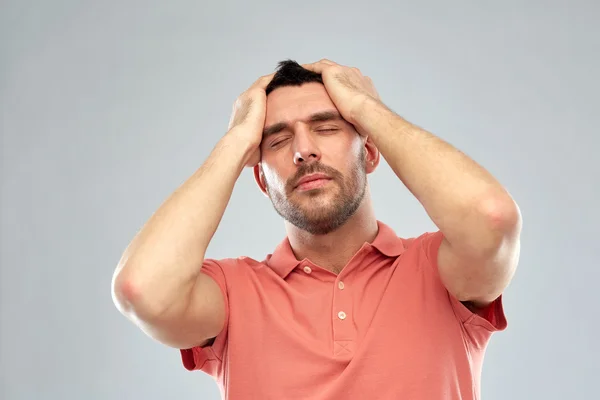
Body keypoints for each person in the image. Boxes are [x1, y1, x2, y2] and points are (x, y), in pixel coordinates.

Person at [111, 59, 522, 399]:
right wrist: (236, 140)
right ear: (260, 180)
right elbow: (141, 290)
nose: (303, 150)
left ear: (372, 152)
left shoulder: (439, 271)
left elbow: (492, 218)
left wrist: (366, 109)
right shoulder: (232, 295)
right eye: (276, 141)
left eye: (326, 127)